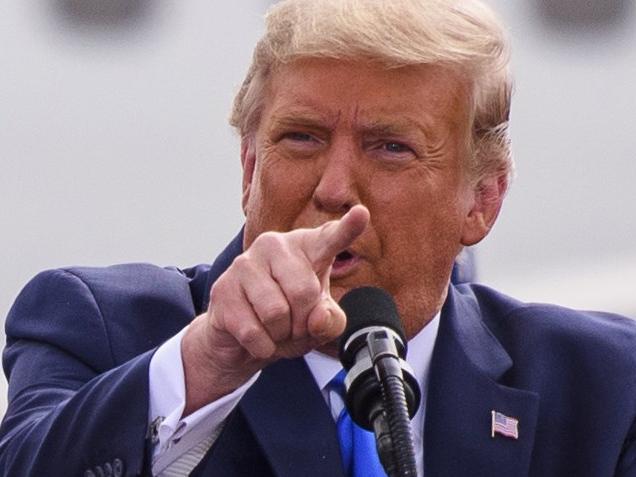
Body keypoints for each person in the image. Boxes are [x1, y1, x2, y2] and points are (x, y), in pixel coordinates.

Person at [2, 0, 636, 475]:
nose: (335, 188)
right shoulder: (100, 328)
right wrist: (209, 363)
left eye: (390, 148)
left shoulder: (605, 386)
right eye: (301, 137)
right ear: (250, 166)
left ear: (482, 201)